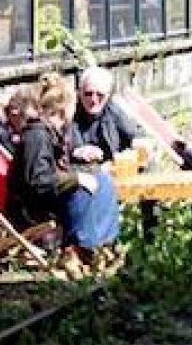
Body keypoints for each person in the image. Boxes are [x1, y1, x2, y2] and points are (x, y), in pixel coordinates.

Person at [8, 77, 120, 276]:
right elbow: (38, 181)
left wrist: (79, 168)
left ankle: (103, 243)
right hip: (31, 210)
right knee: (86, 186)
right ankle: (83, 247)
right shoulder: (37, 136)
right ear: (63, 110)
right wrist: (76, 178)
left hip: (41, 199)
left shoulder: (47, 133)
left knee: (102, 179)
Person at [69, 66, 142, 165]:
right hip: (79, 172)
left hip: (112, 170)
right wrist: (77, 152)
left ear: (108, 96)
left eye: (100, 95)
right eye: (88, 94)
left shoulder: (114, 111)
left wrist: (137, 145)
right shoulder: (69, 113)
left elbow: (135, 136)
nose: (93, 100)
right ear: (79, 92)